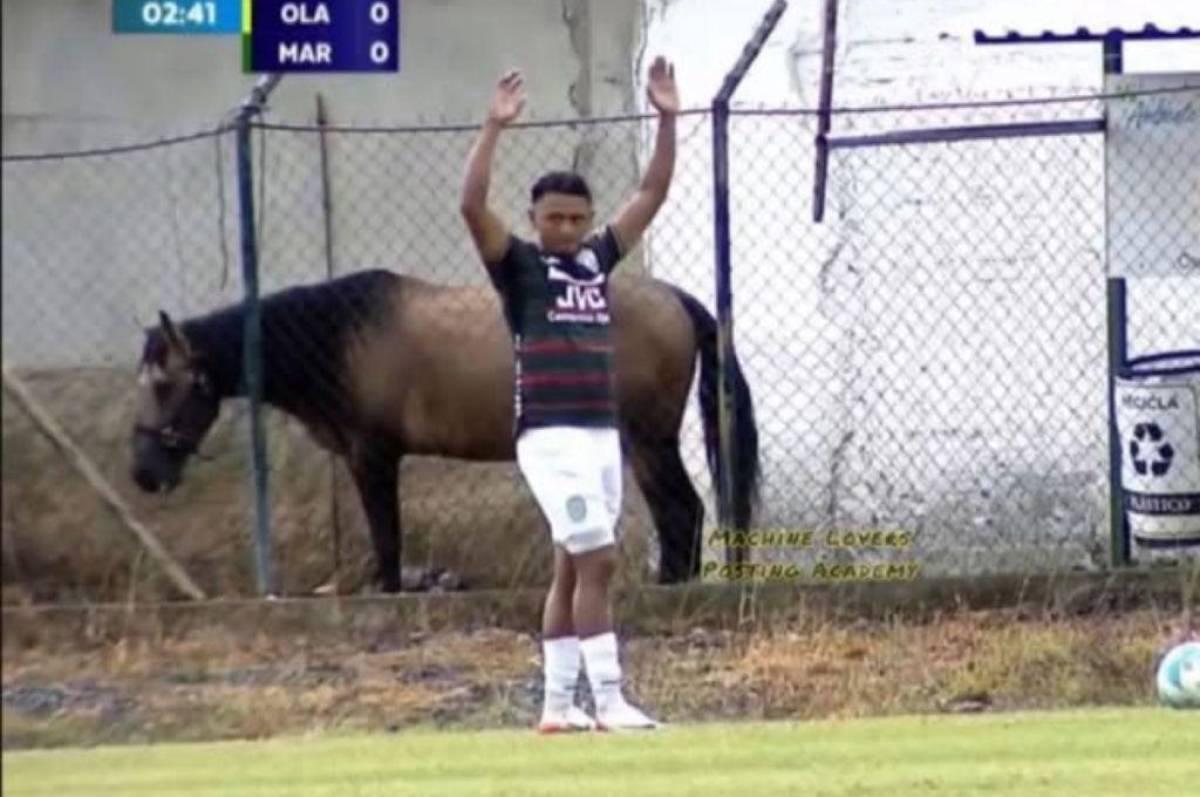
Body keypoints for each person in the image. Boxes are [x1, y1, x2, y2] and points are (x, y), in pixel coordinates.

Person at [459, 56, 679, 732]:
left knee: (570, 564)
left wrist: (667, 118)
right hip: (550, 435)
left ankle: (557, 708)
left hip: (598, 431)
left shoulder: (595, 258)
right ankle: (609, 697)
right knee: (602, 556)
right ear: (534, 217)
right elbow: (471, 206)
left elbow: (650, 193)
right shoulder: (520, 267)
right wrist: (493, 128)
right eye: (554, 217)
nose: (566, 228)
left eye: (576, 218)